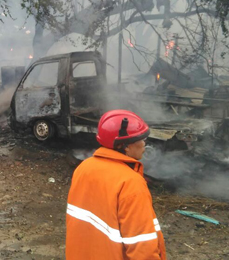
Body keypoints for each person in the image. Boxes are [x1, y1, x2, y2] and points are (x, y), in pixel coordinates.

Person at [66, 110, 166, 260]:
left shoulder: (84, 167)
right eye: (141, 139)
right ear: (125, 146)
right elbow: (141, 246)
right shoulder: (130, 183)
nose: (144, 143)